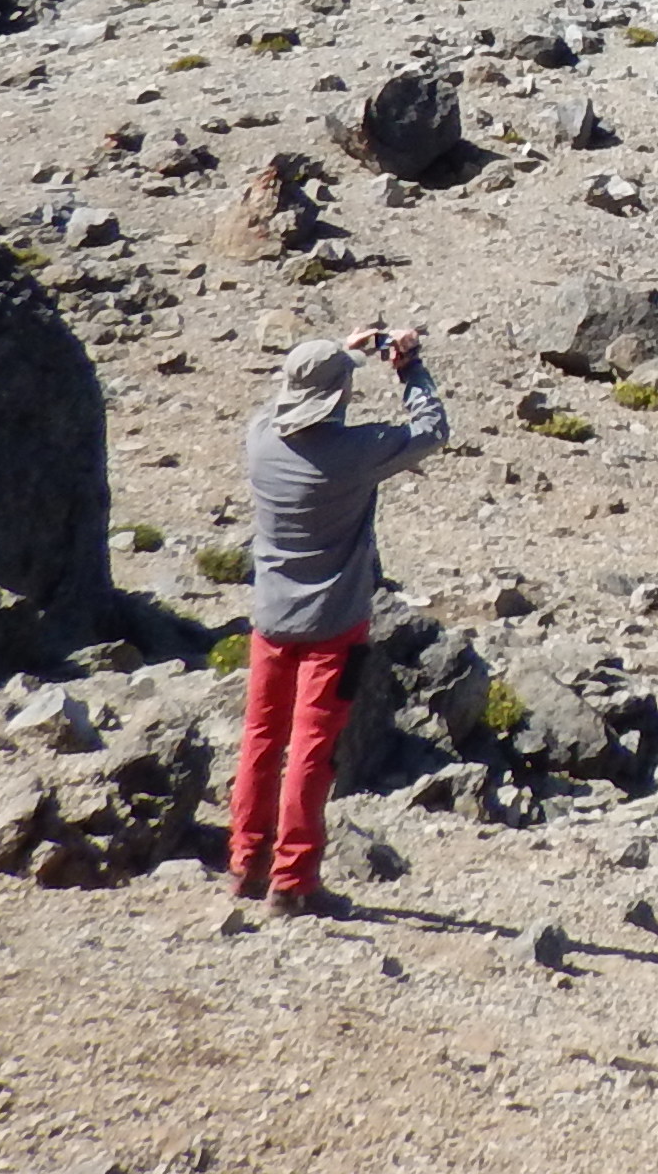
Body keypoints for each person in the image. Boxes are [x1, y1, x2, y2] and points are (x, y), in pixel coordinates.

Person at [229, 321, 445, 914]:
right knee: (311, 751)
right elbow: (431, 431)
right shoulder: (355, 454)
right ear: (334, 398)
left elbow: (276, 406)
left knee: (260, 740)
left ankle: (245, 863)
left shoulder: (259, 439)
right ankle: (293, 880)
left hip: (271, 619)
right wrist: (407, 369)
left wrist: (336, 356)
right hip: (334, 627)